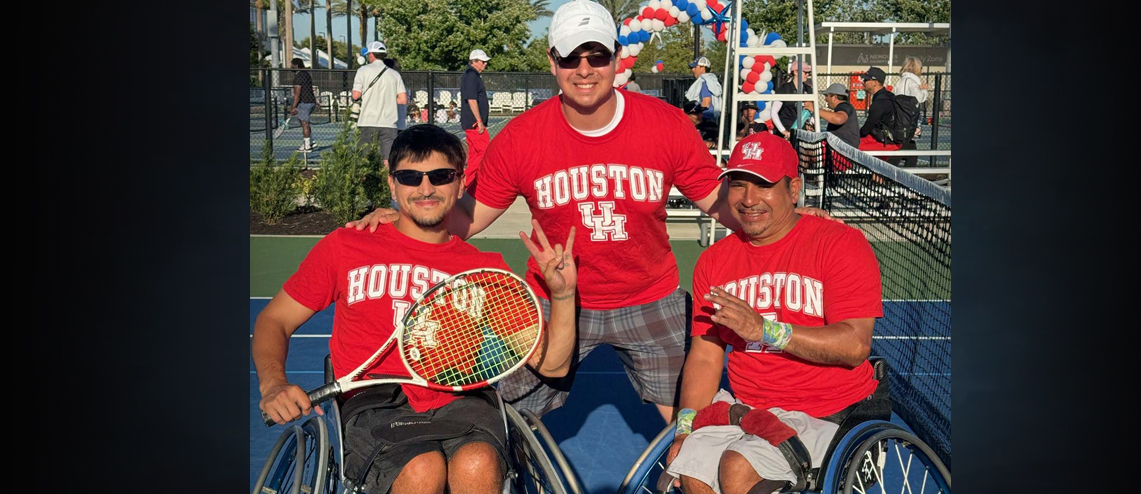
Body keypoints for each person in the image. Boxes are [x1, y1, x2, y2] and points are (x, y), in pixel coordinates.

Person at [347, 0, 838, 424]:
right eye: (570, 57)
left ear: (616, 58)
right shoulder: (522, 137)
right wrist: (409, 214)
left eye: (597, 55)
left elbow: (718, 200)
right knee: (507, 424)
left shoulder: (664, 125)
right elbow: (469, 219)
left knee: (693, 424)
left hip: (650, 296)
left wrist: (786, 221)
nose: (585, 68)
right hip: (555, 301)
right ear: (552, 61)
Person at [254, 124, 579, 494]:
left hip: (461, 399)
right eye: (410, 177)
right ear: (392, 184)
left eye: (440, 176)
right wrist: (274, 383)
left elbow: (553, 365)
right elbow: (275, 319)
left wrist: (563, 296)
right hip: (374, 402)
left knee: (478, 463)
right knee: (422, 468)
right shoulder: (347, 246)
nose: (425, 189)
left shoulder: (486, 270)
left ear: (460, 184)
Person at [662, 132, 885, 494]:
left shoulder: (840, 243)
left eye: (763, 185)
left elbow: (855, 344)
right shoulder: (714, 262)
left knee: (737, 468)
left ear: (793, 190)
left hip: (829, 415)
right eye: (738, 184)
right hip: (749, 413)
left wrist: (765, 330)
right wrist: (685, 429)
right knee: (693, 471)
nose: (749, 199)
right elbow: (705, 355)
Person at [352, 41, 409, 169]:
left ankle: (368, 185)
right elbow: (403, 99)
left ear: (371, 55)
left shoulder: (363, 70)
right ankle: (386, 184)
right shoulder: (395, 74)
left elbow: (356, 95)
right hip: (389, 123)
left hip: (367, 120)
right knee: (388, 160)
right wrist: (388, 98)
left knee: (365, 159)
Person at [891, 57, 931, 167]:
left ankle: (886, 177)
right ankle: (902, 179)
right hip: (908, 121)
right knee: (908, 153)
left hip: (900, 119)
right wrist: (924, 89)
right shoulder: (912, 82)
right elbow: (919, 98)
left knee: (904, 150)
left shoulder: (900, 81)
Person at [461, 48, 492, 185]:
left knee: (474, 154)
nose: (485, 64)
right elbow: (472, 99)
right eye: (482, 61)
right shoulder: (471, 75)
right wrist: (479, 120)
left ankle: (470, 183)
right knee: (485, 151)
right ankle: (466, 181)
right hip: (474, 123)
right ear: (474, 61)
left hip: (473, 122)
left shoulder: (472, 75)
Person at [857, 67, 902, 156]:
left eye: (866, 79)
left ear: (875, 83)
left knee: (851, 146)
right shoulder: (889, 96)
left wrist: (856, 135)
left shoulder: (880, 102)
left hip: (887, 143)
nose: (863, 82)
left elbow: (866, 130)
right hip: (890, 138)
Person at [770, 58, 814, 141]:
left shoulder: (809, 89)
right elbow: (774, 112)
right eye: (805, 72)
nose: (807, 75)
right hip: (787, 133)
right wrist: (783, 131)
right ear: (795, 72)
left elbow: (812, 111)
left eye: (808, 72)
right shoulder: (783, 89)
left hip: (803, 133)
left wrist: (811, 123)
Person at [815, 83, 860, 149]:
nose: (825, 99)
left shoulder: (844, 106)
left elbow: (838, 119)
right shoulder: (842, 108)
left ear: (834, 97)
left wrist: (815, 109)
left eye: (826, 96)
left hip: (845, 151)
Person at [290, 58, 318, 152]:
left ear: (296, 66)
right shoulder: (307, 74)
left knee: (304, 123)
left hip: (305, 103)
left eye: (292, 65)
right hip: (311, 102)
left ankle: (307, 146)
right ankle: (312, 141)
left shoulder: (298, 77)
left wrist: (293, 107)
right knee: (304, 122)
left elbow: (297, 94)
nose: (290, 67)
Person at [686, 56, 723, 123]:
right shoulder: (711, 81)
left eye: (695, 67)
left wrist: (692, 113)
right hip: (711, 120)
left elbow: (706, 104)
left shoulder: (704, 82)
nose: (693, 70)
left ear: (702, 68)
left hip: (704, 120)